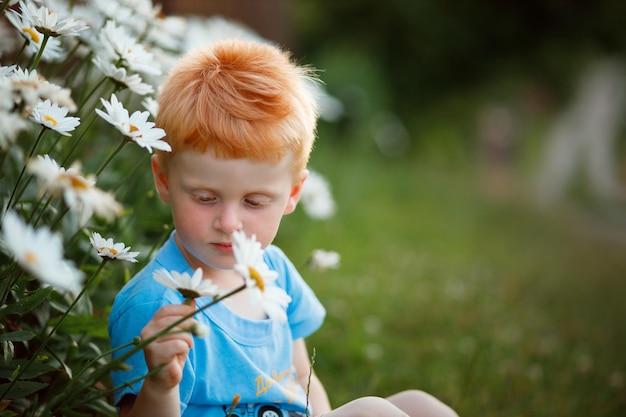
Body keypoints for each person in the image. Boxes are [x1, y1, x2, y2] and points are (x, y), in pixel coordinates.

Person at [107, 38, 459, 417]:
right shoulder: (156, 306)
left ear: (292, 194)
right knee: (376, 411)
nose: (229, 223)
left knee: (422, 407)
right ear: (163, 180)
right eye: (205, 197)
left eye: (254, 202)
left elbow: (302, 376)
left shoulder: (274, 271)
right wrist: (160, 384)